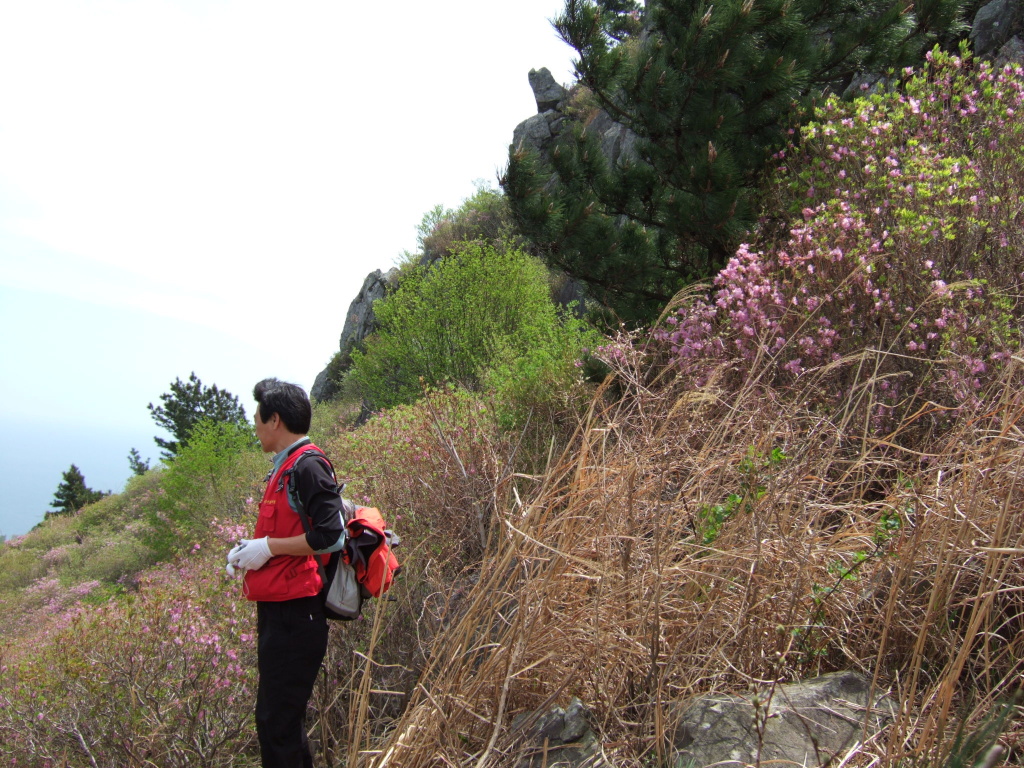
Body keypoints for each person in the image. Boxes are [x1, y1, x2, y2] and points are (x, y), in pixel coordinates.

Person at [226, 378, 345, 768]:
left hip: (298, 613)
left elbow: (331, 535)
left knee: (277, 722)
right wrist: (250, 551)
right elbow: (290, 530)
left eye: (258, 418)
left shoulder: (308, 465)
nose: (255, 426)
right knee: (277, 720)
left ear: (274, 419)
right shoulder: (288, 466)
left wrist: (269, 548)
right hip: (282, 610)